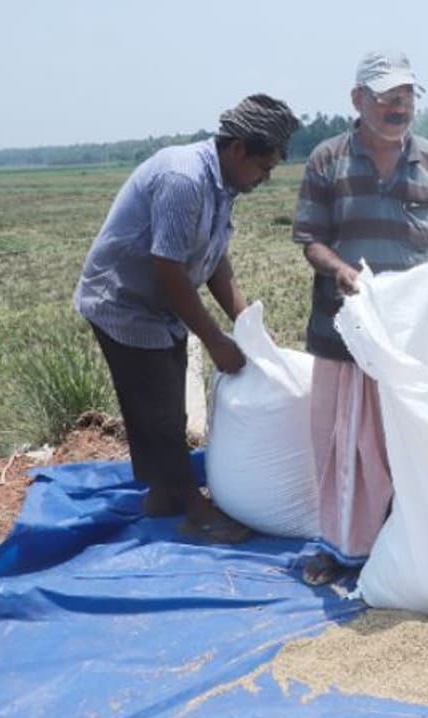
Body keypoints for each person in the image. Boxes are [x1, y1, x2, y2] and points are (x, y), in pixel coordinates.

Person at [293, 51, 428, 584]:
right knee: (343, 445)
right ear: (358, 99)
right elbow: (311, 240)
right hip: (344, 331)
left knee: (406, 445)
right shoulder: (327, 159)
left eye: (406, 98)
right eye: (386, 98)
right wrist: (341, 271)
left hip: (409, 335)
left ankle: (406, 541)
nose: (398, 108)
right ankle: (338, 548)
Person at [74, 94, 300, 544]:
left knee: (165, 398)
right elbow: (169, 269)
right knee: (159, 409)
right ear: (237, 149)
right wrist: (215, 340)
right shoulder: (184, 179)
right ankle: (194, 508)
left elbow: (214, 260)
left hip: (160, 302)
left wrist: (245, 320)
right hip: (125, 302)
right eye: (263, 167)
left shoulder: (224, 185)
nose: (264, 178)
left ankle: (163, 495)